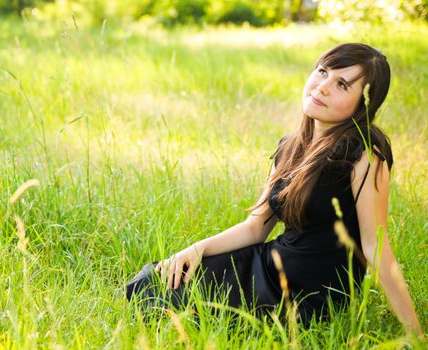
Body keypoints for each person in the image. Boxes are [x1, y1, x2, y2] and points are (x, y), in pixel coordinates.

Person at [126, 43, 423, 334]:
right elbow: (256, 228)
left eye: (342, 84)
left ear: (364, 103)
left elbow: (376, 246)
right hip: (270, 265)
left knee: (183, 304)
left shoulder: (365, 155)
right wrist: (196, 249)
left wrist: (416, 334)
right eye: (322, 72)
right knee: (154, 283)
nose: (322, 87)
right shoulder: (290, 147)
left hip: (309, 295)